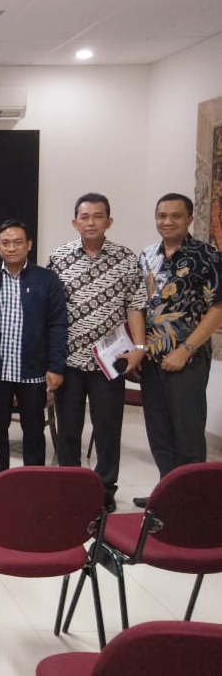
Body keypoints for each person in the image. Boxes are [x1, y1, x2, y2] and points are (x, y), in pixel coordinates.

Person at [48, 194, 147, 512]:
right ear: (75, 222)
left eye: (98, 216)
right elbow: (49, 310)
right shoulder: (59, 258)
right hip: (69, 359)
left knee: (107, 428)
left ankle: (104, 489)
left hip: (111, 360)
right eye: (85, 216)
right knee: (69, 428)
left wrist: (140, 348)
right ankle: (70, 485)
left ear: (109, 221)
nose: (91, 222)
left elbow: (135, 307)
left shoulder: (126, 259)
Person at [134, 193, 222, 507]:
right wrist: (138, 350)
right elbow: (137, 308)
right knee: (159, 433)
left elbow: (217, 309)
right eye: (162, 215)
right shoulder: (146, 255)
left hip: (187, 360)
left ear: (189, 218)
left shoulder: (207, 256)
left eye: (175, 216)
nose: (167, 221)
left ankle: (193, 502)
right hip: (152, 360)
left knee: (187, 434)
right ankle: (167, 496)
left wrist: (185, 349)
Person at [0, 219, 67, 471]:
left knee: (33, 431)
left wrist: (55, 366)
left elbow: (57, 324)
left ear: (29, 245)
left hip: (32, 371)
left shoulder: (47, 279)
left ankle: (33, 482)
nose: (12, 248)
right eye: (6, 243)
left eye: (18, 242)